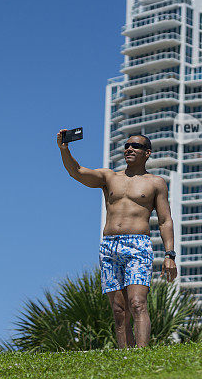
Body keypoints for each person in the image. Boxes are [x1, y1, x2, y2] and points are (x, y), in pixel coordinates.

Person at [57, 130, 177, 348]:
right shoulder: (109, 177)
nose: (129, 149)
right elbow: (77, 171)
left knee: (137, 303)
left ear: (147, 153)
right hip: (109, 247)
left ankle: (141, 355)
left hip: (137, 245)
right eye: (127, 145)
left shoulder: (155, 183)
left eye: (136, 146)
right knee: (119, 310)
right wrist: (64, 149)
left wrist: (170, 255)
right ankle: (125, 358)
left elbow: (165, 220)